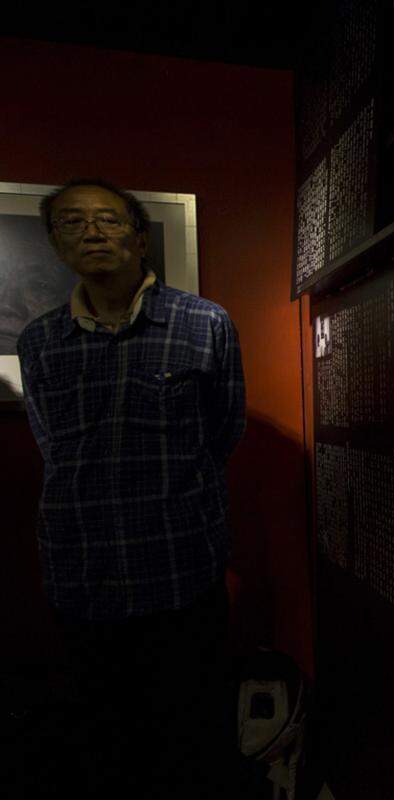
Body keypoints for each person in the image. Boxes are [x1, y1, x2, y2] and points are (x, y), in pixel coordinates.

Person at [17, 178, 245, 798]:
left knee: (192, 743)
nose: (92, 232)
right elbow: (51, 446)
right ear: (56, 244)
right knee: (100, 746)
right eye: (72, 222)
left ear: (140, 238)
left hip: (180, 572)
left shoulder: (204, 324)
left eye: (109, 220)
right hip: (80, 575)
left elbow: (224, 431)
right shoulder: (39, 342)